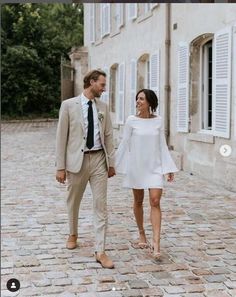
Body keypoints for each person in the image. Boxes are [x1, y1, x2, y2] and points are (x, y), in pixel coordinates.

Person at [56, 69, 116, 269]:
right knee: (73, 202)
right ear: (91, 82)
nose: (104, 88)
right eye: (101, 84)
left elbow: (108, 135)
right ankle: (73, 233)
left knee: (101, 205)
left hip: (99, 159)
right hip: (76, 161)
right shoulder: (68, 106)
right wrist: (60, 167)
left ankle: (100, 251)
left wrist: (112, 163)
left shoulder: (103, 107)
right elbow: (61, 138)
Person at [115, 89, 178, 260]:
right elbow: (124, 143)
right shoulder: (131, 121)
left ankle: (156, 244)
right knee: (138, 201)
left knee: (155, 201)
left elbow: (162, 145)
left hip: (154, 167)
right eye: (137, 98)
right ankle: (142, 233)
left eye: (141, 99)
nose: (138, 101)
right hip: (137, 166)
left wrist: (168, 167)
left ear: (150, 102)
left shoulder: (158, 121)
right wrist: (113, 165)